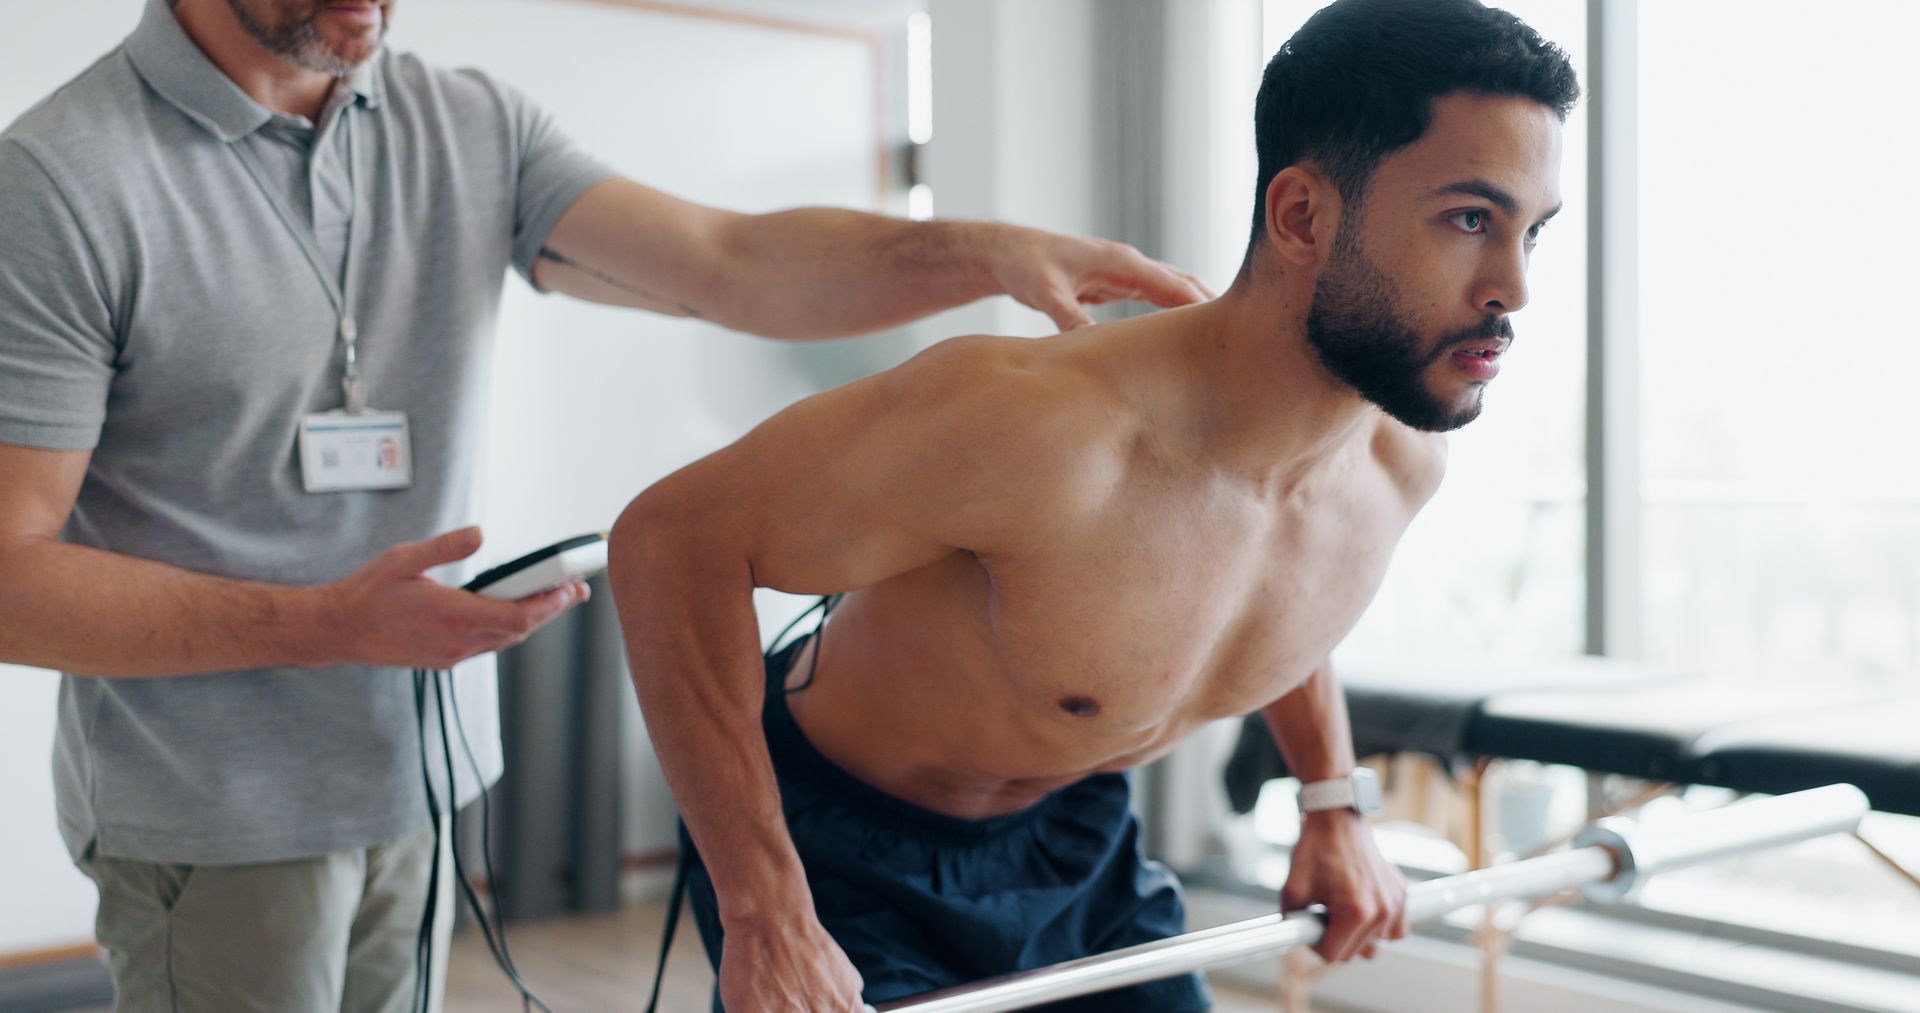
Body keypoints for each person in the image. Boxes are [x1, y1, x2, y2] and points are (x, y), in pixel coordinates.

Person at [0, 0, 1210, 1009]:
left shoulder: (461, 120)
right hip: (213, 811)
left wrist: (985, 252)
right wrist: (325, 624)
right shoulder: (61, 181)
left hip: (420, 772)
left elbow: (728, 263)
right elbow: (10, 578)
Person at [608, 0, 1580, 1008]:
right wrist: (765, 908)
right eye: (1470, 219)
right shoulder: (1043, 429)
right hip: (841, 855)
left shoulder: (1394, 465)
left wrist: (1333, 803)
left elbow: (1274, 569)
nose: (1513, 286)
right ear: (1301, 216)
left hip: (1081, 839)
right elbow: (672, 542)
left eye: (1531, 232)